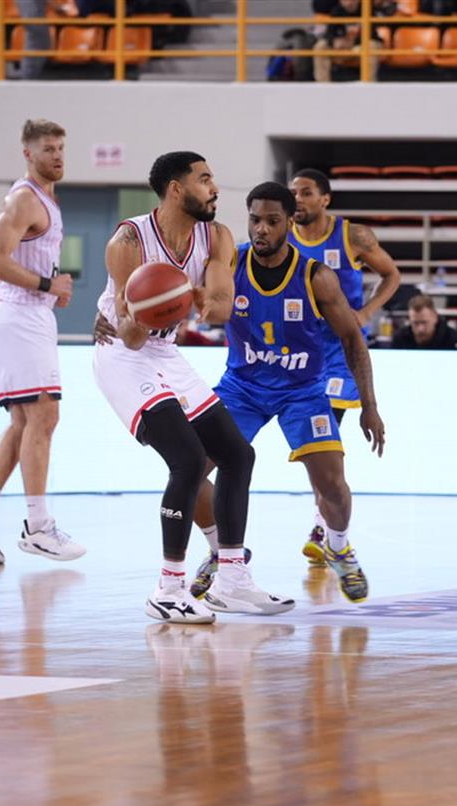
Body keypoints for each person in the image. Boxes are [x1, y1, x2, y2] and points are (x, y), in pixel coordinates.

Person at [92, 151, 289, 624]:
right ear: (177, 189)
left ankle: (231, 579)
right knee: (186, 459)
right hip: (122, 354)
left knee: (238, 455)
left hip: (166, 352)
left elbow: (220, 309)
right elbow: (131, 335)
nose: (215, 188)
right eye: (205, 179)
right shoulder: (128, 241)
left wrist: (186, 297)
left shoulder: (217, 236)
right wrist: (147, 307)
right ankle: (168, 588)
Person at [194, 182, 385, 604]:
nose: (261, 229)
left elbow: (353, 340)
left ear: (289, 222)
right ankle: (223, 552)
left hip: (302, 391)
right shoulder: (229, 263)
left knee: (333, 486)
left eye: (272, 221)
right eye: (255, 220)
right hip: (241, 388)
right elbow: (176, 288)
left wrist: (369, 406)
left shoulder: (316, 276)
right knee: (189, 472)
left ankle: (338, 546)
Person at [0, 118, 86, 566]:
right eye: (48, 149)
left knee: (23, 423)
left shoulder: (45, 198)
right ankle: (38, 525)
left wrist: (50, 288)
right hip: (18, 315)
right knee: (45, 416)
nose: (57, 156)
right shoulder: (24, 198)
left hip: (25, 315)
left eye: (61, 147)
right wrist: (47, 284)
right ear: (28, 153)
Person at [288, 168, 400, 568]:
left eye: (305, 192)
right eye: (293, 192)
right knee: (313, 442)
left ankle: (323, 527)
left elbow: (391, 274)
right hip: (301, 351)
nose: (297, 199)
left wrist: (367, 311)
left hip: (339, 351)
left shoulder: (353, 236)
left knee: (325, 432)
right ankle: (326, 522)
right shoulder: (282, 235)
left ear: (325, 199)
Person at [390, 293, 457, 349]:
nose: (420, 329)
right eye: (415, 323)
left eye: (424, 322)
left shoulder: (452, 338)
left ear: (435, 317)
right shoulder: (400, 338)